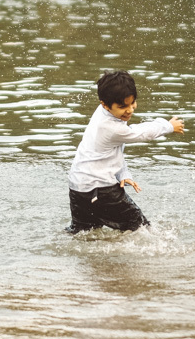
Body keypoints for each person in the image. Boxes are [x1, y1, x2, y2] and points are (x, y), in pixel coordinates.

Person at [66, 70, 185, 233]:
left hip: (78, 188)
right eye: (122, 106)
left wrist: (123, 174)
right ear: (105, 104)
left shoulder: (102, 113)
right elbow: (142, 133)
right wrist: (169, 126)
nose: (130, 110)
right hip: (99, 189)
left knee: (83, 232)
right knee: (140, 227)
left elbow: (110, 151)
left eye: (132, 103)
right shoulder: (111, 127)